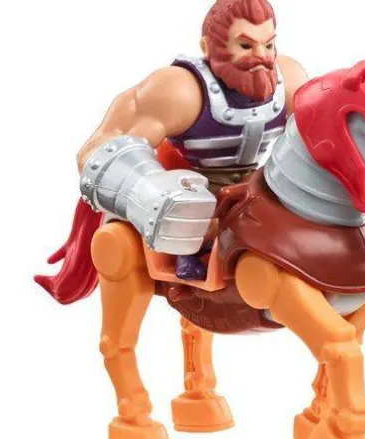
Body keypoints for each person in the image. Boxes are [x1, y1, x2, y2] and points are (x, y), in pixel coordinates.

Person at [78, 0, 308, 279]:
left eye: (269, 45)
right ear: (208, 47)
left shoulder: (289, 79)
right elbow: (103, 150)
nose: (262, 56)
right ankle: (186, 256)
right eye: (246, 46)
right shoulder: (181, 90)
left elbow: (313, 138)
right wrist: (155, 192)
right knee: (194, 211)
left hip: (254, 187)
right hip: (198, 188)